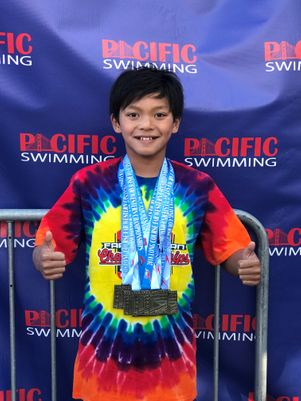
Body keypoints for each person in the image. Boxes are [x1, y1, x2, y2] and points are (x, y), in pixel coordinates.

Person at [33, 67, 261, 401]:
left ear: (175, 123)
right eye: (134, 114)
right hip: (103, 356)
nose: (146, 125)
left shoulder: (198, 187)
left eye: (159, 114)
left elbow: (230, 248)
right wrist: (44, 258)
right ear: (116, 122)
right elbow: (49, 246)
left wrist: (243, 262)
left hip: (170, 355)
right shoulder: (90, 183)